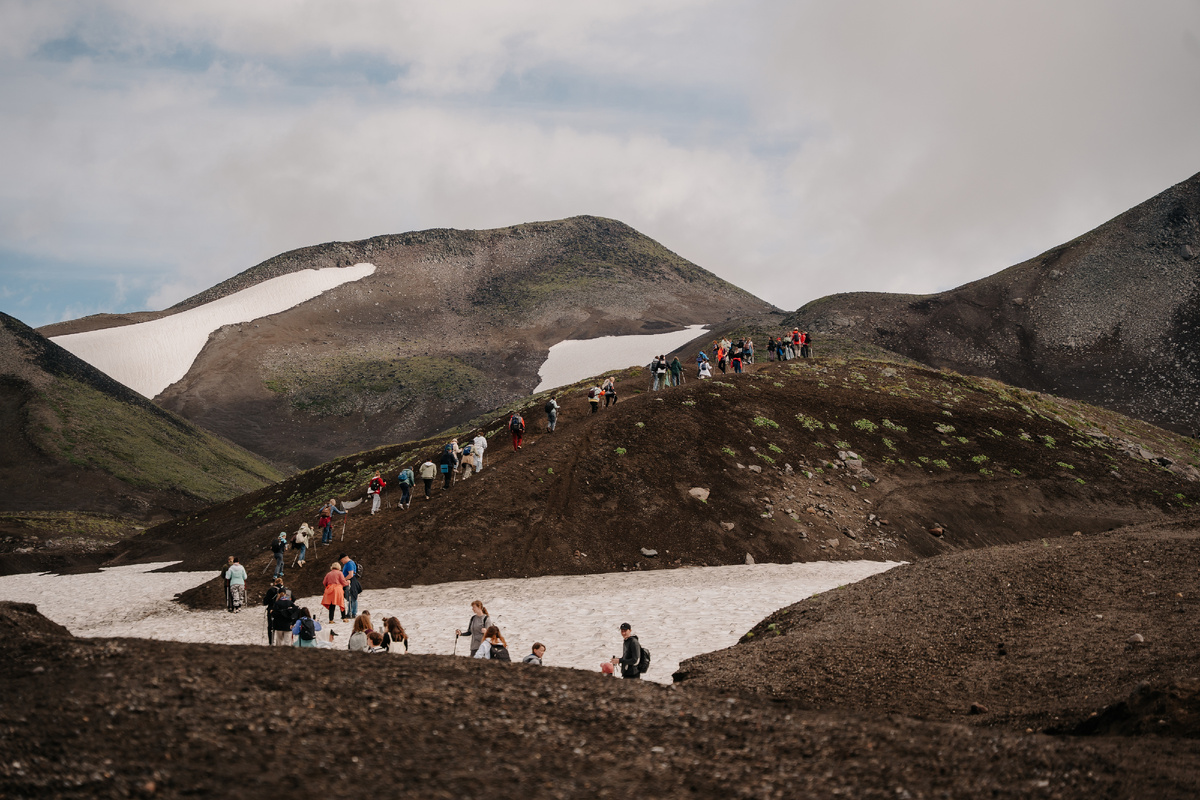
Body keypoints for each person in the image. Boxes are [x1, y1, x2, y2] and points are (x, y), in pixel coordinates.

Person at [341, 554, 360, 620]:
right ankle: (351, 612)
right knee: (351, 598)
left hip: (350, 581)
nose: (342, 561)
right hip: (350, 581)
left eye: (342, 560)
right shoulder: (348, 563)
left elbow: (351, 574)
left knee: (352, 597)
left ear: (345, 558)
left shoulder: (349, 564)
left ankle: (352, 613)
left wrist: (344, 580)